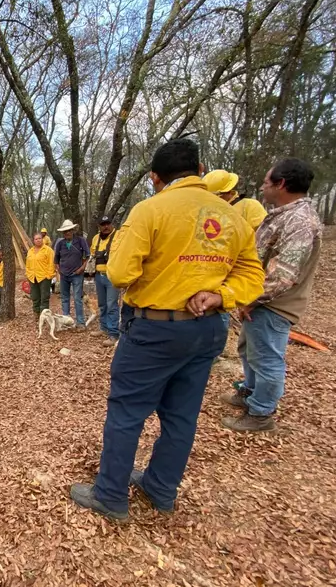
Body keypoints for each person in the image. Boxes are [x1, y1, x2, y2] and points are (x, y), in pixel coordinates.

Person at [69, 139, 265, 521]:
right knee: (181, 415)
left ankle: (110, 495)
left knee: (127, 412)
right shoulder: (232, 217)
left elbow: (121, 272)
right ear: (201, 169)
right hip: (209, 329)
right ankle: (161, 488)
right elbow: (253, 275)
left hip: (155, 329)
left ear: (154, 177)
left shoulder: (150, 210)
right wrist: (221, 295)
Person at [221, 159, 322, 433]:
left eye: (266, 182)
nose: (262, 187)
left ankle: (261, 414)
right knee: (250, 351)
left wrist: (250, 298)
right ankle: (250, 392)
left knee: (266, 359)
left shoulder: (300, 222)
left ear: (282, 184)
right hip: (259, 302)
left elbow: (283, 276)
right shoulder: (282, 215)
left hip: (273, 305)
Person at [53, 220, 90, 329]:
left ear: (73, 230)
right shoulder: (60, 243)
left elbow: (88, 256)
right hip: (64, 274)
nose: (67, 233)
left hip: (77, 274)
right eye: (65, 231)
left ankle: (80, 322)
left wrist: (82, 268)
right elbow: (56, 258)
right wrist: (58, 269)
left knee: (77, 298)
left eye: (69, 230)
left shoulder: (80, 241)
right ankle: (66, 322)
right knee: (65, 298)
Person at [89, 216, 120, 345]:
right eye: (103, 224)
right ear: (99, 226)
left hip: (112, 275)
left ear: (111, 224)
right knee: (102, 304)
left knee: (112, 304)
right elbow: (92, 255)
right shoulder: (96, 238)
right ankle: (104, 328)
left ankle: (113, 334)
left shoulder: (119, 236)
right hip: (98, 275)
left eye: (108, 224)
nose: (106, 227)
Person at [25, 233, 54, 316]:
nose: (38, 240)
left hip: (44, 277)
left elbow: (51, 263)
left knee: (44, 297)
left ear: (42, 239)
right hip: (32, 277)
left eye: (39, 238)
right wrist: (28, 274)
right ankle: (36, 314)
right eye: (36, 239)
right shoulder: (30, 251)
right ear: (33, 241)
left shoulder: (48, 250)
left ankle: (44, 315)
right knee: (35, 297)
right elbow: (27, 264)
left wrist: (49, 276)